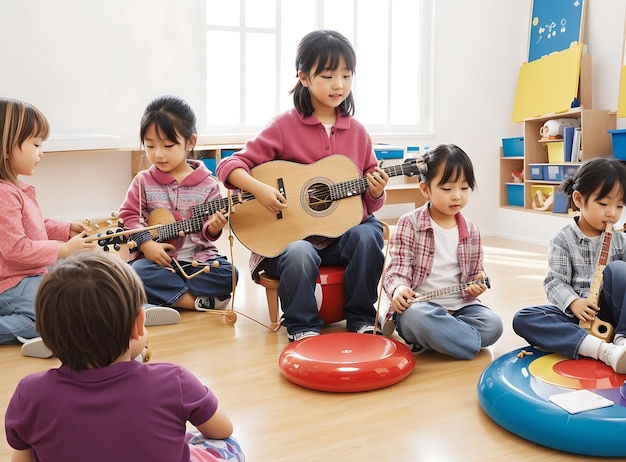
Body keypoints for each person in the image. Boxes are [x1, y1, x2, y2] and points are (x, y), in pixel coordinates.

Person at [216, 29, 389, 341]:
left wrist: (375, 193)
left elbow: (369, 201)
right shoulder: (284, 126)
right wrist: (259, 189)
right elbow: (230, 166)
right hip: (288, 239)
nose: (339, 85)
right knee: (300, 251)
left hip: (339, 239)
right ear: (304, 78)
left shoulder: (358, 133)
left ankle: (361, 317)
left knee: (368, 233)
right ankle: (302, 326)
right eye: (327, 75)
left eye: (346, 75)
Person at [4, 251, 246, 462]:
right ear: (139, 324)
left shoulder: (30, 393)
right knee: (225, 445)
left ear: (46, 336)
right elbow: (222, 429)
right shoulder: (174, 380)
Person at [118, 95, 238, 315]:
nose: (158, 154)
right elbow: (128, 217)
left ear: (190, 142)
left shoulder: (209, 184)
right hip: (157, 263)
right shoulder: (143, 181)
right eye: (150, 145)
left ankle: (160, 299)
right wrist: (147, 245)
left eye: (168, 145)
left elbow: (208, 232)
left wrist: (213, 227)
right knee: (137, 271)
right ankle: (194, 302)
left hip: (197, 262)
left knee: (231, 274)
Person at [382, 144, 503, 359]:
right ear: (425, 189)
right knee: (415, 318)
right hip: (420, 307)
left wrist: (477, 285)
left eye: (464, 188)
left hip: (461, 310)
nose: (456, 196)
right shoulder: (409, 223)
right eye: (447, 189)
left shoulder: (472, 230)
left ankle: (438, 338)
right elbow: (397, 269)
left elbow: (475, 273)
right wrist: (399, 289)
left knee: (494, 325)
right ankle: (450, 339)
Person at [0, 97, 96, 359]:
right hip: (11, 282)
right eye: (35, 144)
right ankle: (45, 330)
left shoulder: (15, 189)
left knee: (74, 286)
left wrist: (65, 229)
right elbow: (15, 248)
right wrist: (63, 249)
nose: (41, 152)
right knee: (47, 316)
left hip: (28, 275)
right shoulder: (4, 194)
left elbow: (34, 226)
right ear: (7, 148)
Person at [513, 157, 626, 373]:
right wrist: (574, 302)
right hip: (575, 317)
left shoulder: (621, 240)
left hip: (612, 315)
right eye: (603, 204)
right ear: (579, 199)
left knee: (620, 269)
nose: (612, 212)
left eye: (619, 205)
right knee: (523, 318)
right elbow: (555, 282)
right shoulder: (563, 240)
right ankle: (602, 350)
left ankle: (622, 341)